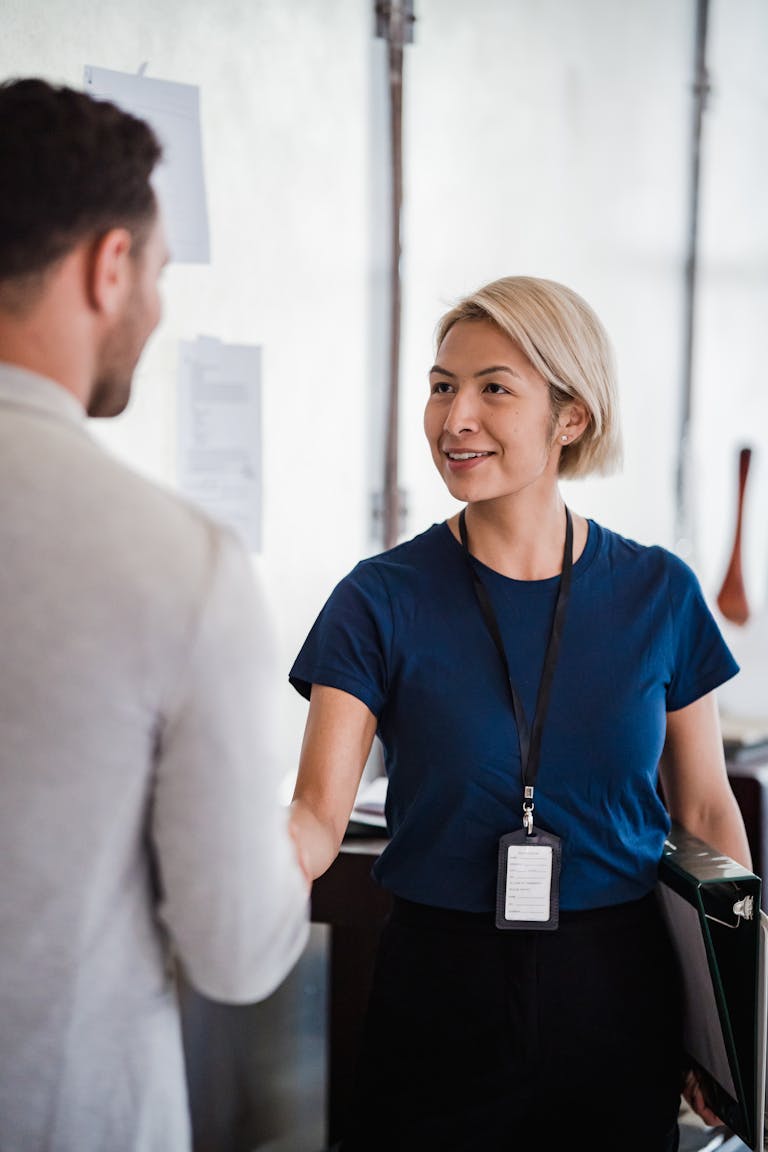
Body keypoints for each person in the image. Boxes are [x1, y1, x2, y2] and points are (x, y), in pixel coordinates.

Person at [288, 274, 752, 1151]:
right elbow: (316, 817)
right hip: (437, 985)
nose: (454, 416)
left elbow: (704, 812)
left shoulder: (660, 593)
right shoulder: (376, 599)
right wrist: (220, 876)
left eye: (493, 387)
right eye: (440, 386)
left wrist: (725, 1031)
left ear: (570, 416)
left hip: (618, 984)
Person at [0, 77, 309, 1151]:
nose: (162, 308)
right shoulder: (178, 564)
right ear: (110, 263)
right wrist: (294, 841)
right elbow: (234, 948)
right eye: (164, 271)